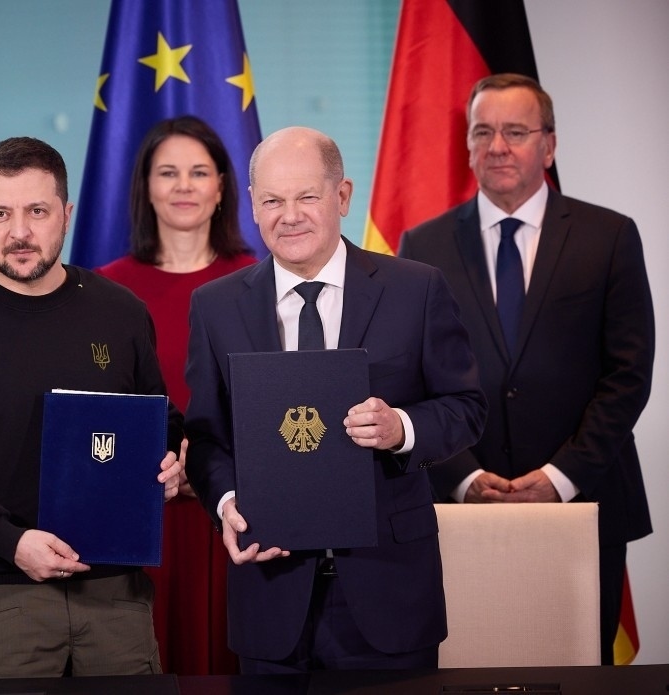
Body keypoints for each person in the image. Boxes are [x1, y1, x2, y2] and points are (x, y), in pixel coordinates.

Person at [183, 126, 486, 673]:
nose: (289, 216)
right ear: (252, 204)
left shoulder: (416, 289)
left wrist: (401, 428)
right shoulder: (215, 307)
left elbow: (466, 407)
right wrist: (227, 503)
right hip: (270, 589)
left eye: (307, 197)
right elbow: (206, 437)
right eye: (272, 201)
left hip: (389, 589)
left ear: (342, 196)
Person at [0, 136, 185, 679]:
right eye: (0, 213)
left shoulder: (120, 312)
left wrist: (171, 463)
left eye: (37, 211)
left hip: (116, 595)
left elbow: (158, 421)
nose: (18, 232)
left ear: (66, 214)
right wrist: (11, 542)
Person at [398, 73, 655, 665]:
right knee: (461, 668)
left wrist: (561, 476)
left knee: (579, 670)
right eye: (482, 132)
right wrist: (462, 476)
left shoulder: (609, 236)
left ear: (550, 145)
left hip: (584, 501)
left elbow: (628, 374)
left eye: (515, 132)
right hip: (458, 509)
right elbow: (409, 379)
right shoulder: (423, 246)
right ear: (467, 145)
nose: (497, 147)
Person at [96, 115, 255, 675]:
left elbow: (275, 405)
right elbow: (98, 408)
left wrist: (209, 474)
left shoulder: (260, 282)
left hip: (237, 514)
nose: (184, 186)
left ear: (222, 187)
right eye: (168, 173)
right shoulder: (104, 289)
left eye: (198, 172)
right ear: (145, 187)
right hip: (140, 515)